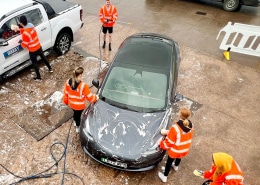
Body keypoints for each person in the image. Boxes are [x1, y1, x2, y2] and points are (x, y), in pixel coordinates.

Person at [158, 107, 194, 183]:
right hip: (184, 149)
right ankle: (176, 166)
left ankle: (165, 176)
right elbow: (181, 135)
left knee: (169, 162)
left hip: (175, 151)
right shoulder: (191, 125)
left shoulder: (175, 128)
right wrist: (168, 132)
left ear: (179, 115)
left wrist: (161, 144)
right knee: (179, 157)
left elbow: (169, 143)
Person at [14, 15, 53, 81]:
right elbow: (27, 29)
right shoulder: (31, 25)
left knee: (35, 63)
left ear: (21, 23)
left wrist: (21, 42)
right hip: (38, 46)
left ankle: (39, 77)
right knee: (43, 57)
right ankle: (50, 68)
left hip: (32, 50)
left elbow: (25, 45)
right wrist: (19, 29)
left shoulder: (25, 34)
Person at [63, 67, 99, 133]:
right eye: (82, 75)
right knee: (78, 116)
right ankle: (77, 126)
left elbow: (66, 93)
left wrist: (65, 101)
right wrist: (96, 97)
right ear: (79, 75)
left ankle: (74, 120)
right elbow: (90, 97)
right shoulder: (83, 86)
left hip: (71, 104)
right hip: (79, 106)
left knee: (75, 113)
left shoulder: (68, 82)